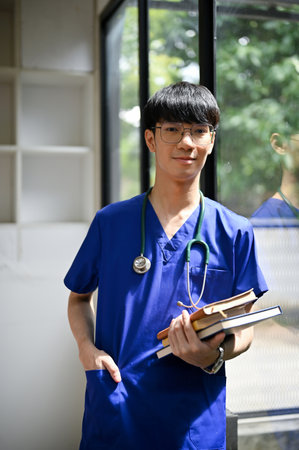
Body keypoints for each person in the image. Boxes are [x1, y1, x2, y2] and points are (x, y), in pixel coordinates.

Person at [64, 81, 268, 450]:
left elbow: (245, 327)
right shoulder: (110, 223)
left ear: (211, 140)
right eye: (172, 129)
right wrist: (86, 349)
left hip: (193, 421)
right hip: (116, 409)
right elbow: (78, 299)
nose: (186, 143)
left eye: (198, 131)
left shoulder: (236, 232)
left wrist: (215, 355)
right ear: (150, 139)